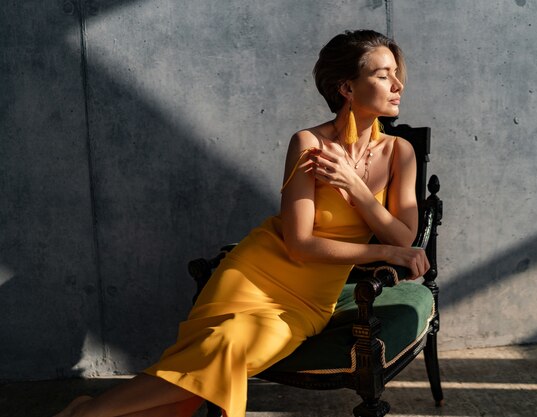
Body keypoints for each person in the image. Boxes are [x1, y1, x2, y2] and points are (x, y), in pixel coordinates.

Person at [54, 29, 430, 417]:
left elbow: (404, 236)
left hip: (307, 301)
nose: (398, 83)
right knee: (221, 350)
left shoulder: (400, 152)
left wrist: (355, 188)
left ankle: (88, 412)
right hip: (253, 274)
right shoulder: (308, 144)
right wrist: (384, 250)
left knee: (225, 352)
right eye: (383, 75)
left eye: (395, 73)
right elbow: (300, 245)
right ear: (347, 87)